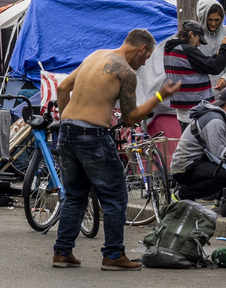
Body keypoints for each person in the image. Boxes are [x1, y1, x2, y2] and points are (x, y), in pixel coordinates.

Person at [52, 29, 180, 271]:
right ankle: (113, 254)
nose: (144, 64)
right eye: (147, 57)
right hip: (92, 135)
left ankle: (62, 251)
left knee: (75, 195)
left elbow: (62, 88)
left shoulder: (96, 55)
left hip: (67, 130)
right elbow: (131, 118)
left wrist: (67, 120)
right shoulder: (125, 72)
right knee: (114, 197)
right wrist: (160, 95)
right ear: (142, 48)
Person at [171, 85, 226, 203]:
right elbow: (220, 154)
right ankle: (183, 194)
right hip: (184, 167)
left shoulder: (220, 117)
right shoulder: (215, 121)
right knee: (224, 175)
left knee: (225, 169)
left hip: (195, 162)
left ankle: (219, 199)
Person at [162, 20, 226, 124]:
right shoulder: (187, 50)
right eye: (199, 39)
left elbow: (199, 64)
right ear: (191, 34)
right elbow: (215, 67)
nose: (199, 44)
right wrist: (225, 48)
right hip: (194, 111)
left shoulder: (172, 48)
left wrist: (216, 56)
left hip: (183, 110)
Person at [197, 0, 226, 91]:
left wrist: (225, 78)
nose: (213, 23)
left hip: (222, 92)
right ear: (203, 18)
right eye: (209, 20)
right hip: (200, 90)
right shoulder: (196, 35)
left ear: (221, 19)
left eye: (217, 20)